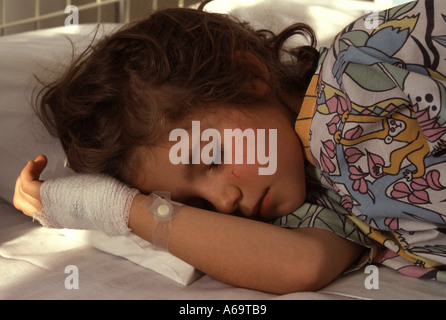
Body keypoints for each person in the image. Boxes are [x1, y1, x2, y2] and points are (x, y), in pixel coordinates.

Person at [13, 0, 446, 294]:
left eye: (213, 158)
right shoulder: (315, 196)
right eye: (195, 202)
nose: (223, 201)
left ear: (249, 78)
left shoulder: (363, 65)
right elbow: (303, 264)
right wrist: (120, 208)